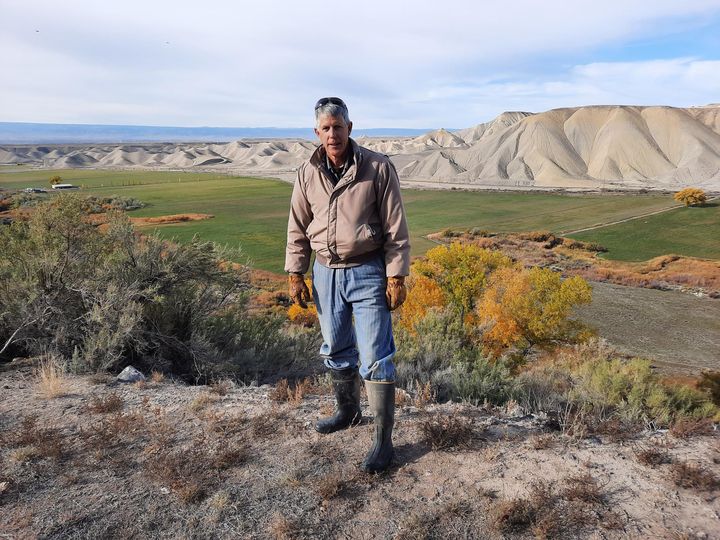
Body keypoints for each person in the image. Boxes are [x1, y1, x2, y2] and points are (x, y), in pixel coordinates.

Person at [285, 97, 410, 473]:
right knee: (336, 347)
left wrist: (397, 274)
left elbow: (395, 227)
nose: (332, 134)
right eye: (325, 128)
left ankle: (383, 443)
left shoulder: (377, 167)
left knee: (376, 355)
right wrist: (295, 272)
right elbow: (297, 226)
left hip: (367, 270)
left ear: (350, 128)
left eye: (338, 127)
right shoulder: (308, 172)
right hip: (325, 273)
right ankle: (348, 412)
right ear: (316, 133)